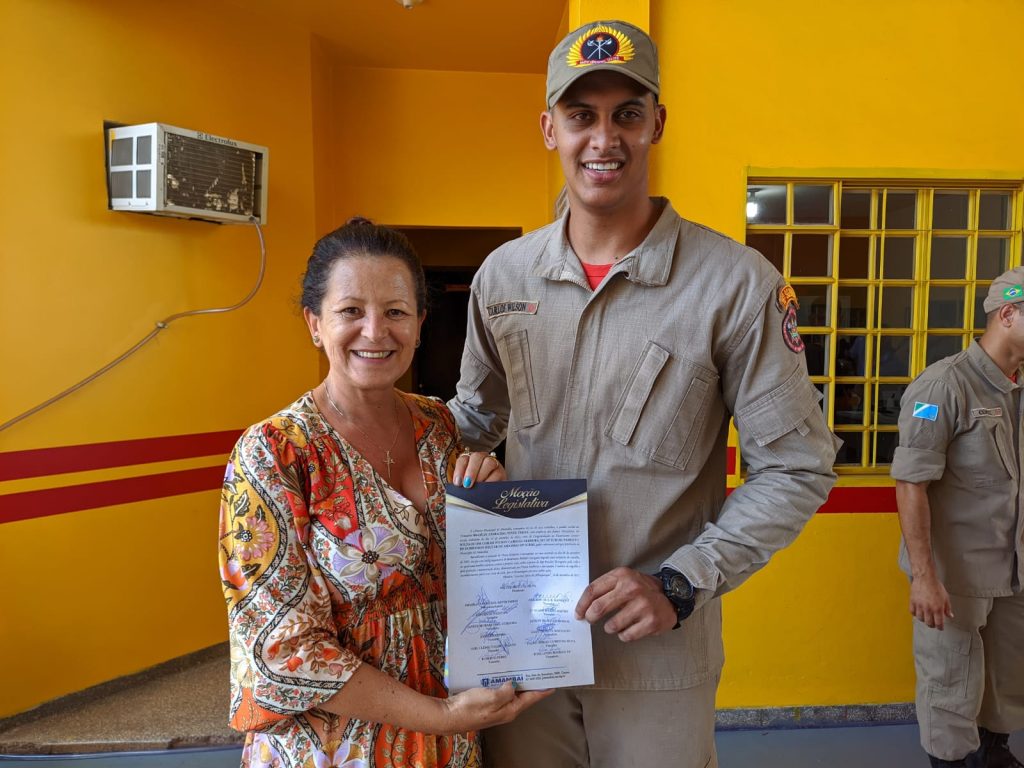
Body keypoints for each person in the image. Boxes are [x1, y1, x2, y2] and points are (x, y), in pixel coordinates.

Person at [447, 20, 838, 768]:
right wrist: (427, 446)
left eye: (628, 113)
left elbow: (796, 467)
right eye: (580, 115)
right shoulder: (504, 278)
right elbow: (472, 421)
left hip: (656, 657)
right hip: (520, 642)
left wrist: (681, 582)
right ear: (548, 128)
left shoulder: (734, 286)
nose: (604, 138)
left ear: (657, 122)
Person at [218, 218, 549, 768]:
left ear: (419, 324)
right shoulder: (275, 452)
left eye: (395, 311)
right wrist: (440, 716)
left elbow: (469, 581)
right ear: (314, 324)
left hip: (450, 740)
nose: (375, 331)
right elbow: (281, 652)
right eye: (351, 311)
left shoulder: (438, 425)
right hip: (332, 748)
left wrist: (496, 510)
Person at [891, 266, 1024, 768]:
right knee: (951, 684)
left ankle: (995, 753)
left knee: (1008, 679)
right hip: (957, 577)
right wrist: (924, 578)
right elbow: (911, 484)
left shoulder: (1018, 388)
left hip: (1014, 571)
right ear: (1008, 313)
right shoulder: (943, 387)